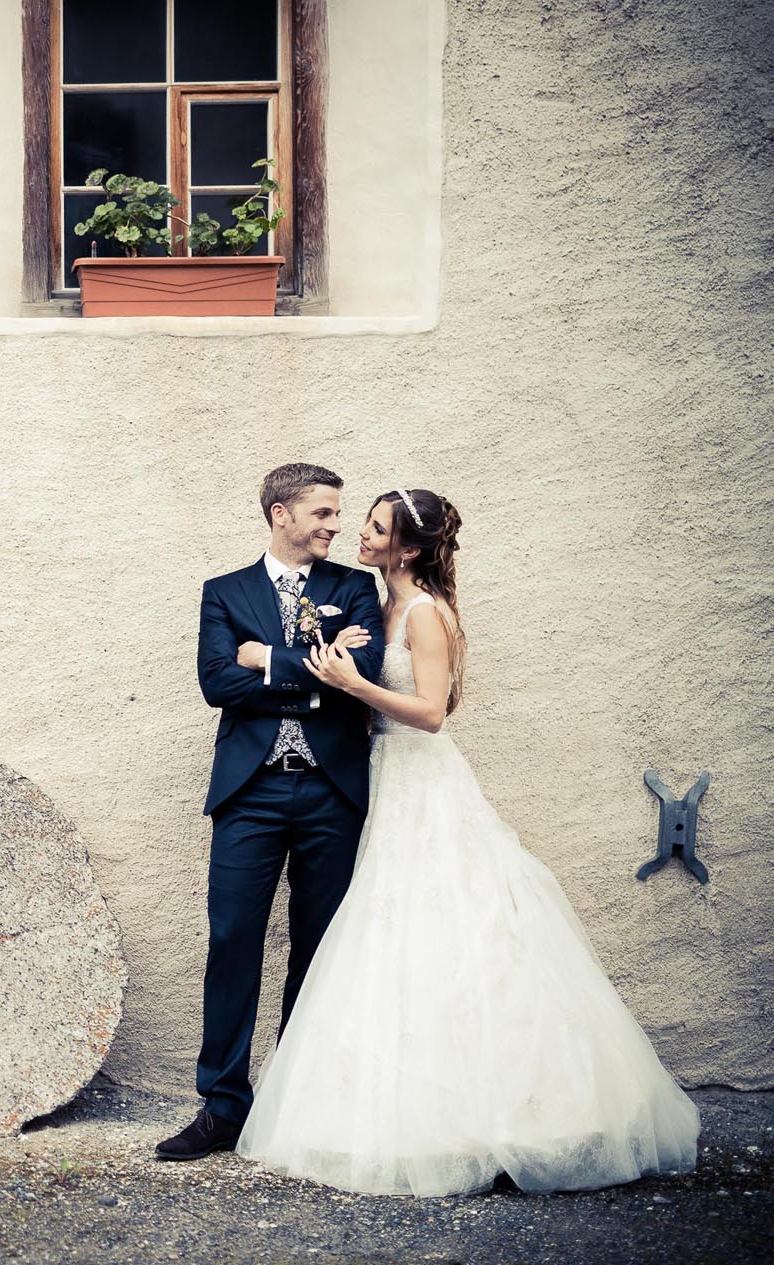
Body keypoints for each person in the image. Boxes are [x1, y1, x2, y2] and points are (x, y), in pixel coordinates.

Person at [234, 487, 700, 1194]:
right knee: (388, 934)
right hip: (381, 780)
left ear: (410, 548)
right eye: (364, 522)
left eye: (376, 528)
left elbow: (430, 713)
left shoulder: (426, 612)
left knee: (451, 927)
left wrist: (355, 686)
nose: (360, 533)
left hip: (423, 780)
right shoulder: (377, 602)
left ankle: (488, 1111)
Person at [157, 464, 386, 1161]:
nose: (335, 525)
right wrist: (309, 664)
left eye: (338, 514)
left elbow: (364, 679)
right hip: (250, 793)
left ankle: (298, 1100)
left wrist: (266, 660)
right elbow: (216, 682)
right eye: (322, 512)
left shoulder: (354, 588)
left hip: (330, 792)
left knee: (318, 950)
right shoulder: (224, 592)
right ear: (280, 513)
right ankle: (223, 1106)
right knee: (232, 941)